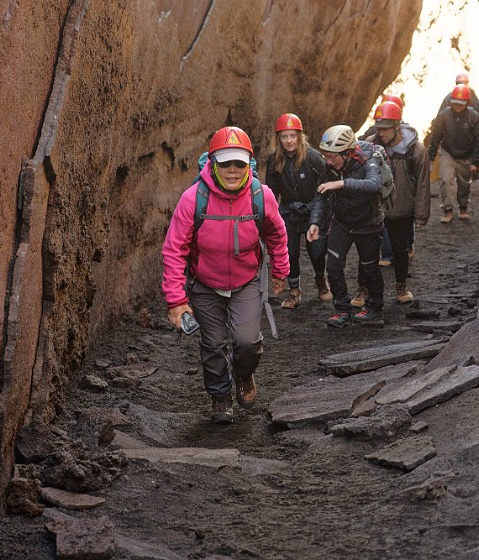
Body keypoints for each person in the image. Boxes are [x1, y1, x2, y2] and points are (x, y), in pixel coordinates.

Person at [162, 126, 289, 424]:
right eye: (225, 163)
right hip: (204, 283)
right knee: (213, 344)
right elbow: (173, 249)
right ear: (213, 164)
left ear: (249, 165)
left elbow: (277, 235)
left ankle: (244, 375)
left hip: (246, 281)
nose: (232, 170)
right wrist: (176, 299)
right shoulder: (193, 198)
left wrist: (281, 270)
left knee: (247, 342)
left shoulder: (261, 195)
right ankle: (220, 397)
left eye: (239, 164)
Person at [306, 125, 393, 327]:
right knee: (333, 266)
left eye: (332, 157)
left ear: (347, 153)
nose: (327, 161)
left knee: (369, 268)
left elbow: (374, 184)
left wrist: (342, 183)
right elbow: (320, 194)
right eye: (325, 156)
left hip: (368, 224)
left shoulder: (368, 161)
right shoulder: (330, 167)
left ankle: (374, 308)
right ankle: (342, 309)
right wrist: (315, 223)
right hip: (342, 222)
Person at [366, 101, 431, 303]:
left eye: (386, 129)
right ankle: (365, 289)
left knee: (400, 250)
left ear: (397, 126)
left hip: (402, 208)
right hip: (375, 208)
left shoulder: (416, 150)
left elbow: (422, 184)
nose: (382, 133)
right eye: (379, 128)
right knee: (367, 250)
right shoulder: (371, 145)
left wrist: (421, 215)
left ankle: (401, 287)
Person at [265, 113, 330, 309]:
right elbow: (271, 192)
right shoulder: (274, 160)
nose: (289, 141)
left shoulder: (313, 158)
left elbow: (325, 186)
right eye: (284, 136)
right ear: (279, 139)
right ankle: (294, 292)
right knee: (290, 252)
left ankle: (321, 282)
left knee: (317, 251)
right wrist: (271, 216)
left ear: (300, 136)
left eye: (292, 136)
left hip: (312, 209)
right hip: (289, 211)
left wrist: (322, 215)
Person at [429, 84, 479, 223]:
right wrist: (431, 157)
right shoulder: (444, 116)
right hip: (448, 152)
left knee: (464, 183)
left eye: (461, 104)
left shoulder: (474, 117)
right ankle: (447, 210)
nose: (457, 106)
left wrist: (475, 161)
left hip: (466, 156)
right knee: (446, 180)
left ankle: (463, 207)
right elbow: (435, 136)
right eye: (455, 103)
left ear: (467, 103)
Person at [434, 71, 479, 144]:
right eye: (460, 83)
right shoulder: (449, 98)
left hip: (468, 132)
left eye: (465, 83)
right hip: (453, 132)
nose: (463, 85)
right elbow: (439, 120)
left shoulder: (472, 96)